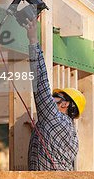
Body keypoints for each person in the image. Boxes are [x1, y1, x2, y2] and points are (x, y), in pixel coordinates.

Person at [24, 18, 87, 171]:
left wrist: (33, 41)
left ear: (65, 104)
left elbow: (41, 83)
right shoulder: (69, 131)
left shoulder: (54, 119)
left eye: (55, 98)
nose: (50, 100)